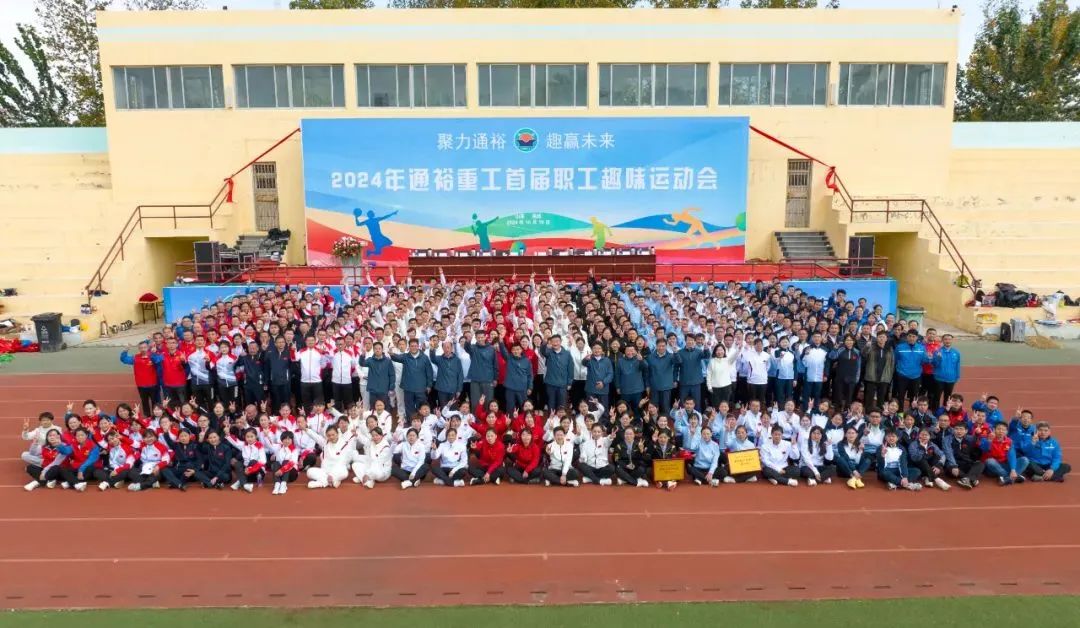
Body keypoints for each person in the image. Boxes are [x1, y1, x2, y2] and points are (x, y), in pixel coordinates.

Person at [391, 339, 434, 419]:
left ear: (418, 346)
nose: (414, 348)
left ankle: (421, 421)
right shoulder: (405, 356)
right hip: (408, 388)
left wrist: (429, 385)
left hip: (421, 388)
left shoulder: (424, 357)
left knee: (421, 406)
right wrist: (391, 354)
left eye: (415, 346)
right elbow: (396, 358)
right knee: (409, 407)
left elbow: (429, 372)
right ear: (409, 347)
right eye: (412, 346)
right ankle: (410, 421)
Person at [305, 425, 356, 489]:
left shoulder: (344, 443)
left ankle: (321, 483)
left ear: (337, 434)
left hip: (337, 470)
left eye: (333, 435)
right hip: (325, 471)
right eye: (329, 435)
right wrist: (306, 429)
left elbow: (352, 438)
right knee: (309, 472)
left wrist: (332, 474)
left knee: (345, 473)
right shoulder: (325, 443)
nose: (331, 437)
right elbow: (316, 437)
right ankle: (334, 480)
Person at [120, 341, 163, 415]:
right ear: (139, 349)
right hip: (141, 385)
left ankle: (156, 416)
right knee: (144, 402)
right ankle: (147, 416)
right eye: (141, 348)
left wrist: (154, 353)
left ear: (148, 347)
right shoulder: (135, 358)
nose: (143, 349)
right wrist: (125, 350)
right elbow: (124, 359)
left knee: (155, 402)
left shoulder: (152, 356)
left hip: (153, 384)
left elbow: (158, 360)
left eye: (145, 347)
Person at [980, 421, 1028, 486]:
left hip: (1005, 465)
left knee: (1025, 460)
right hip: (992, 468)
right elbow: (984, 449)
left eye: (1003, 430)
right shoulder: (987, 438)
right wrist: (989, 441)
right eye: (999, 429)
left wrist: (1013, 470)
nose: (1001, 431)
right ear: (994, 430)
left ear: (1007, 432)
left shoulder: (1009, 441)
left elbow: (1012, 456)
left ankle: (1007, 477)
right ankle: (1009, 476)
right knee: (990, 461)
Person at [942, 422, 984, 490]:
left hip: (965, 463)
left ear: (966, 431)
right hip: (953, 464)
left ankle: (966, 479)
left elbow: (976, 438)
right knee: (950, 469)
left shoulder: (969, 438)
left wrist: (977, 434)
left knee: (980, 464)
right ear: (953, 430)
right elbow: (948, 453)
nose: (959, 431)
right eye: (956, 429)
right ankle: (971, 478)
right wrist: (954, 465)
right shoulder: (947, 439)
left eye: (961, 429)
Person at [893, 330, 929, 409]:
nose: (911, 338)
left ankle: (912, 413)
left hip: (916, 376)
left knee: (914, 397)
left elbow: (924, 361)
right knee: (900, 396)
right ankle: (900, 413)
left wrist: (930, 358)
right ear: (907, 337)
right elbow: (895, 359)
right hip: (902, 376)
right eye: (909, 336)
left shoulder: (921, 348)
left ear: (916, 338)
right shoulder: (899, 347)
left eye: (913, 336)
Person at [861, 331, 894, 412]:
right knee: (869, 398)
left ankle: (880, 413)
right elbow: (863, 355)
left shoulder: (890, 349)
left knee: (881, 398)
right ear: (877, 338)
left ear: (886, 339)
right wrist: (866, 347)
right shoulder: (871, 347)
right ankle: (868, 412)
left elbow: (892, 363)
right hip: (871, 376)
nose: (881, 338)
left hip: (884, 377)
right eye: (880, 337)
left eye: (883, 337)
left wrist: (889, 376)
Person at [930, 333, 961, 409]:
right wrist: (938, 359)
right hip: (939, 379)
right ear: (942, 341)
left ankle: (945, 411)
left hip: (951, 379)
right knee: (936, 397)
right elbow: (934, 365)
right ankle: (935, 411)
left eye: (949, 339)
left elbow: (957, 365)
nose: (947, 341)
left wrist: (957, 376)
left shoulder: (956, 352)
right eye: (945, 339)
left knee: (948, 397)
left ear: (952, 340)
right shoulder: (937, 351)